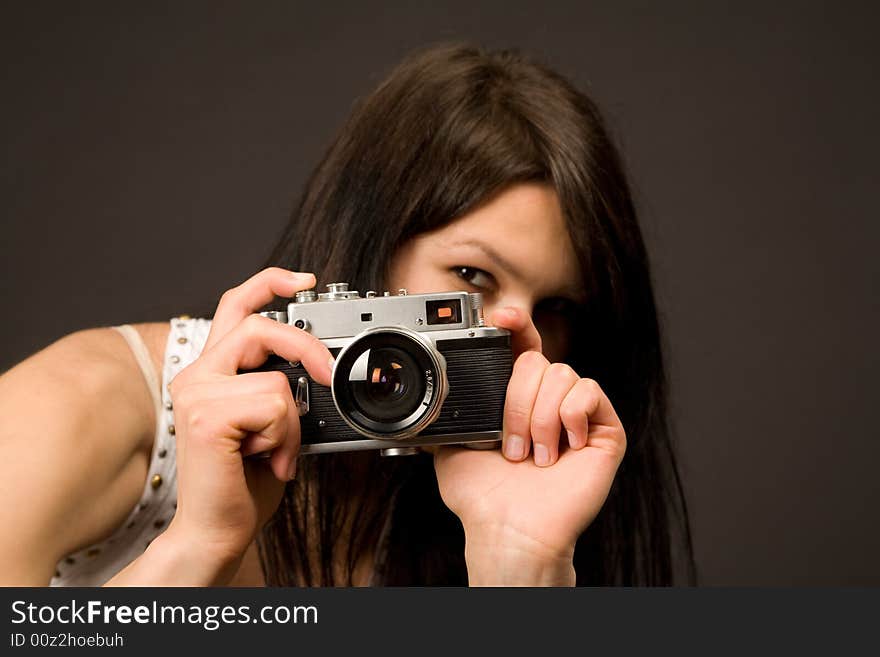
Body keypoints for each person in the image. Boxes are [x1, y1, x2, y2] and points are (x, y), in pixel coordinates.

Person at [0, 43, 694, 586]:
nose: (516, 335)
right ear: (364, 250)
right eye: (471, 279)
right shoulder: (80, 402)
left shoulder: (459, 491)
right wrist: (198, 543)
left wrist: (518, 562)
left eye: (558, 307)